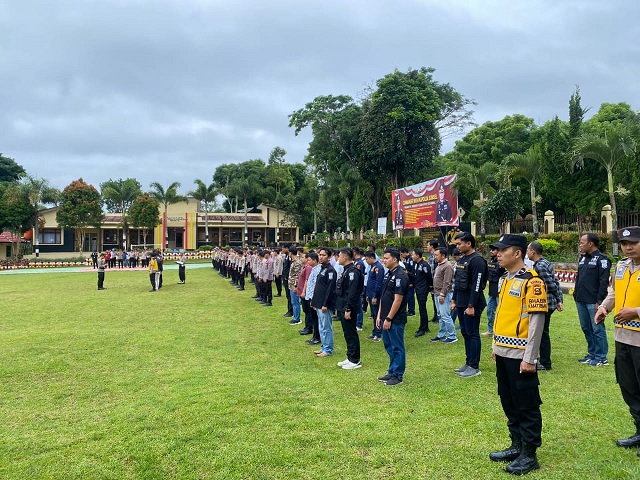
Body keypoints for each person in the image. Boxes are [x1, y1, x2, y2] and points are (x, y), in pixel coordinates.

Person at [489, 234, 548, 475]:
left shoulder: (532, 282)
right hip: (503, 351)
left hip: (520, 355)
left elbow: (536, 321)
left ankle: (529, 454)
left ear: (517, 253)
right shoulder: (505, 279)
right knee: (508, 400)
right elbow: (503, 315)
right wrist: (495, 346)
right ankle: (517, 444)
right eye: (497, 250)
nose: (498, 254)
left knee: (527, 404)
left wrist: (530, 357)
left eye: (503, 250)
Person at [596, 226, 640, 454]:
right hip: (623, 338)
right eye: (624, 244)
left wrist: (636, 311)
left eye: (633, 242)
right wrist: (604, 307)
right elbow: (614, 293)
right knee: (628, 386)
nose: (628, 247)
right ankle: (639, 430)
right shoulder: (621, 266)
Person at [451, 231, 488, 378]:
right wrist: (454, 300)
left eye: (459, 243)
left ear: (469, 243)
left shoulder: (477, 260)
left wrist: (471, 305)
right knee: (465, 333)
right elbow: (458, 282)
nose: (457, 246)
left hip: (471, 303)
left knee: (472, 333)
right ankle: (468, 362)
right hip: (461, 302)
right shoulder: (462, 259)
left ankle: (474, 366)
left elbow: (477, 285)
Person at [574, 232, 611, 366]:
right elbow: (579, 278)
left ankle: (602, 357)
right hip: (581, 299)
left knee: (597, 328)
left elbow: (603, 282)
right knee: (586, 328)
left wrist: (600, 302)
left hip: (593, 301)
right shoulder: (583, 258)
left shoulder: (602, 260)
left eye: (582, 242)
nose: (580, 245)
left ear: (591, 244)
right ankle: (592, 353)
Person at [527, 241, 563, 371]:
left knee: (541, 333)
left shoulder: (540, 266)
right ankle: (543, 360)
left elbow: (551, 284)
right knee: (542, 332)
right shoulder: (544, 262)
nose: (527, 252)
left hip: (545, 304)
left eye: (528, 250)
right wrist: (559, 299)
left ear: (533, 252)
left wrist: (558, 299)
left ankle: (545, 362)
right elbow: (556, 282)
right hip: (549, 303)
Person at [376, 248, 409, 386]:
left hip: (395, 318)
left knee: (397, 346)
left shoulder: (400, 275)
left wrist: (389, 318)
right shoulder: (388, 274)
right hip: (384, 316)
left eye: (386, 258)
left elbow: (398, 300)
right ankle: (391, 371)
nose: (384, 260)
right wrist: (379, 315)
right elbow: (384, 297)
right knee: (389, 346)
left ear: (395, 259)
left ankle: (398, 375)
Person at [336, 248, 365, 370]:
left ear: (346, 257)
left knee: (351, 333)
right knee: (347, 333)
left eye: (340, 256)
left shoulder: (353, 271)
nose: (338, 258)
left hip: (349, 307)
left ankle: (355, 360)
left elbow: (352, 292)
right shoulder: (346, 270)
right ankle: (350, 356)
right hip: (343, 305)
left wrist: (348, 308)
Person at [311, 247, 337, 358]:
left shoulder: (331, 271)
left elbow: (330, 289)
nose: (321, 257)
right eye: (320, 255)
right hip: (318, 302)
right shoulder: (322, 268)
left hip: (324, 304)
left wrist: (325, 304)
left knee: (326, 327)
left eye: (324, 255)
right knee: (321, 326)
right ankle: (324, 346)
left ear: (329, 257)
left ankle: (328, 349)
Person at [431, 247, 457, 343]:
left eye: (436, 255)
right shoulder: (439, 265)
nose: (435, 257)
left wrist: (442, 294)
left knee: (445, 315)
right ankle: (441, 334)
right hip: (437, 293)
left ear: (443, 255)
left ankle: (452, 335)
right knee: (440, 316)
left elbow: (447, 282)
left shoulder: (447, 266)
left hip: (444, 295)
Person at [483, 246, 506, 336]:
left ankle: (500, 331)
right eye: (490, 250)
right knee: (490, 310)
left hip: (500, 291)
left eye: (493, 250)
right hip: (492, 290)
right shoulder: (491, 261)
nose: (491, 251)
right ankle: (490, 330)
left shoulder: (503, 262)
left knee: (500, 312)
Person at [412, 248, 433, 337]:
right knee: (421, 308)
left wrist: (430, 286)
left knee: (422, 308)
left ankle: (423, 328)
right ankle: (425, 326)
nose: (412, 256)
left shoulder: (424, 265)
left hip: (423, 289)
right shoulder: (417, 264)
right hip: (418, 288)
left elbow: (429, 277)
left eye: (413, 255)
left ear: (417, 255)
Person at [364, 251, 384, 342]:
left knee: (377, 314)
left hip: (376, 294)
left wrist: (375, 296)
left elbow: (378, 283)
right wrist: (368, 294)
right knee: (374, 314)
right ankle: (375, 331)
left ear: (372, 258)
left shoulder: (378, 267)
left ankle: (379, 333)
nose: (366, 261)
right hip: (371, 293)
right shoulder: (372, 267)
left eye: (367, 259)